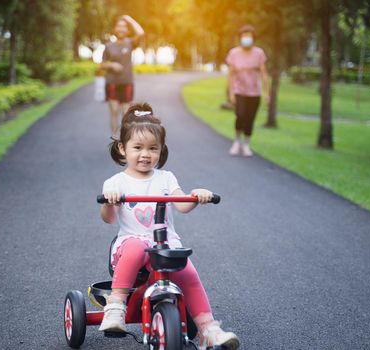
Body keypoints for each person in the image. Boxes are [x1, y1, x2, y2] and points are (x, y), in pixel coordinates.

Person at [98, 102, 240, 350]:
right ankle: (116, 305)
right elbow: (108, 218)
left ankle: (208, 329)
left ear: (161, 149)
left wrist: (196, 196)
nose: (145, 154)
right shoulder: (116, 182)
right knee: (137, 247)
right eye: (138, 148)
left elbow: (182, 204)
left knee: (188, 273)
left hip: (164, 246)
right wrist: (109, 199)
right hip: (129, 248)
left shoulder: (166, 178)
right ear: (122, 148)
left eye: (153, 148)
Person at [226, 24, 270, 157]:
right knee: (240, 115)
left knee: (250, 119)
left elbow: (264, 74)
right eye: (244, 36)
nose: (247, 39)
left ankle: (246, 144)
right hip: (239, 90)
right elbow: (231, 74)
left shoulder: (259, 53)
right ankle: (237, 142)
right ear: (240, 38)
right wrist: (231, 92)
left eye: (249, 37)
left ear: (253, 38)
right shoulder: (234, 53)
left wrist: (267, 93)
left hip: (254, 92)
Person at [99, 15, 144, 136]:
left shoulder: (130, 43)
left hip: (127, 83)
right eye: (119, 26)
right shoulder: (109, 46)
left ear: (128, 30)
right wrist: (112, 65)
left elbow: (140, 32)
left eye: (124, 27)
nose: (121, 29)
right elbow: (101, 65)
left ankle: (124, 141)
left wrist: (129, 19)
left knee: (126, 114)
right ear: (114, 29)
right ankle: (114, 140)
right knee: (113, 111)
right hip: (112, 83)